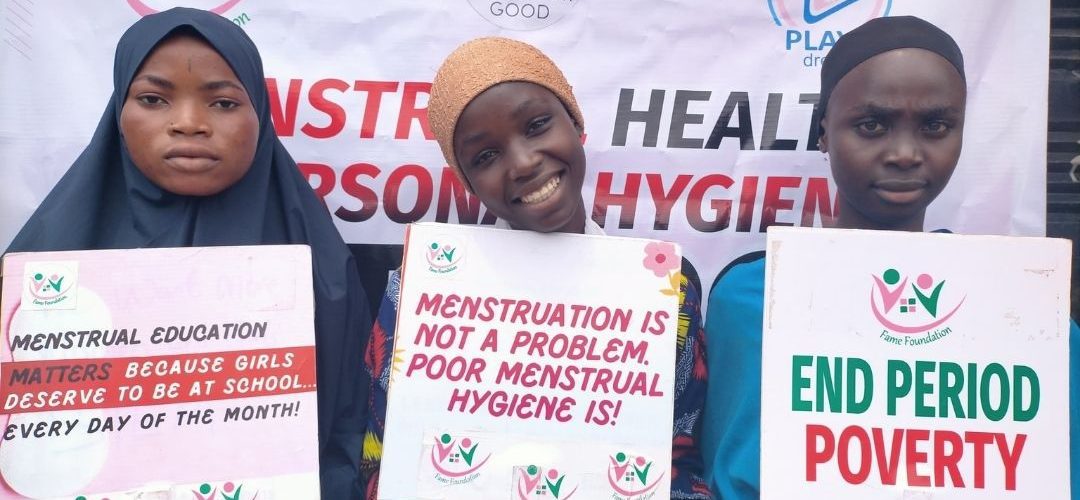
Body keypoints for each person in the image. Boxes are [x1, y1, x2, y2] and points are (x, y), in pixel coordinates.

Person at [702, 15, 1080, 498]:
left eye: (936, 126)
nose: (904, 153)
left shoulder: (1032, 318)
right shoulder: (751, 298)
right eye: (872, 125)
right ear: (823, 134)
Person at [4, 8, 371, 499]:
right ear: (118, 112)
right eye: (153, 99)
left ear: (260, 114)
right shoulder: (40, 270)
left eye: (223, 103)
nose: (189, 123)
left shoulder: (322, 268)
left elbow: (347, 435)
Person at [360, 36, 712, 499]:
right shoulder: (415, 298)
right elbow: (380, 463)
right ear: (468, 184)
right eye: (486, 156)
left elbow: (679, 460)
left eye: (537, 125)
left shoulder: (665, 292)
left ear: (576, 122)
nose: (524, 163)